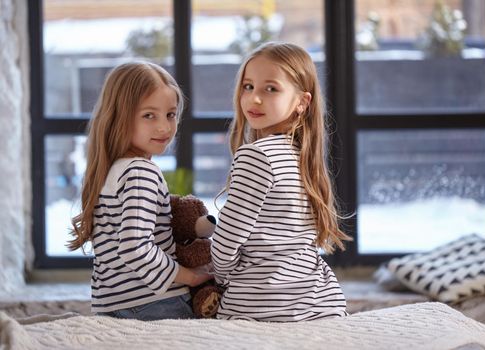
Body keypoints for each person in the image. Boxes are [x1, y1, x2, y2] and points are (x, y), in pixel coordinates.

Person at [211, 42, 352, 321]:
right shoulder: (302, 156)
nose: (254, 99)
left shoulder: (256, 155)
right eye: (248, 86)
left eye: (270, 89)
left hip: (259, 305)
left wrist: (218, 277)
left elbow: (226, 243)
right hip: (319, 302)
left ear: (302, 101)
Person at [68, 61, 212, 321]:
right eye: (149, 115)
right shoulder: (141, 172)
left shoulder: (109, 170)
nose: (164, 128)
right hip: (156, 303)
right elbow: (135, 247)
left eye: (170, 114)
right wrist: (188, 276)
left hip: (109, 304)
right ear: (120, 117)